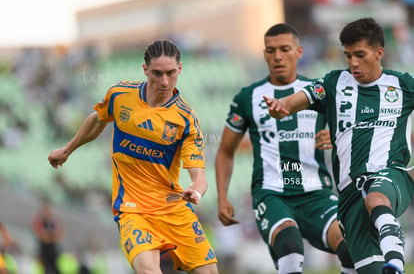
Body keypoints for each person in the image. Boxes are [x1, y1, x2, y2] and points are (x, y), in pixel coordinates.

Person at [48, 39, 218, 274]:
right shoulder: (120, 95)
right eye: (157, 74)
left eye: (170, 73)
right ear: (145, 70)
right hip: (133, 209)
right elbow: (98, 119)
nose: (164, 81)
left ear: (180, 69)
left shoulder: (186, 119)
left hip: (173, 208)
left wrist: (196, 191)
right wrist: (67, 150)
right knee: (148, 271)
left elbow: (199, 176)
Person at [264, 17, 414, 274]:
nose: (353, 62)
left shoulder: (404, 84)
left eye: (359, 54)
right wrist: (281, 108)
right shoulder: (334, 83)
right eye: (347, 56)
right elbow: (292, 103)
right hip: (349, 194)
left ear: (379, 53)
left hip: (390, 175)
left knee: (375, 193)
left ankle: (396, 258)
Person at [215, 23, 355, 274]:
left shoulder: (320, 92)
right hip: (272, 194)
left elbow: (350, 133)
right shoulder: (248, 97)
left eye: (284, 49)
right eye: (271, 50)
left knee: (351, 246)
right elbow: (225, 151)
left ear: (299, 51)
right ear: (264, 54)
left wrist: (335, 137)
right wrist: (223, 197)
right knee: (289, 244)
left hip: (316, 193)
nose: (277, 56)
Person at [31, 198, 64, 274]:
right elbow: (43, 237)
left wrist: (50, 235)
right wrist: (52, 235)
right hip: (43, 252)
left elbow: (60, 235)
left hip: (54, 252)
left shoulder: (54, 222)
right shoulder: (39, 221)